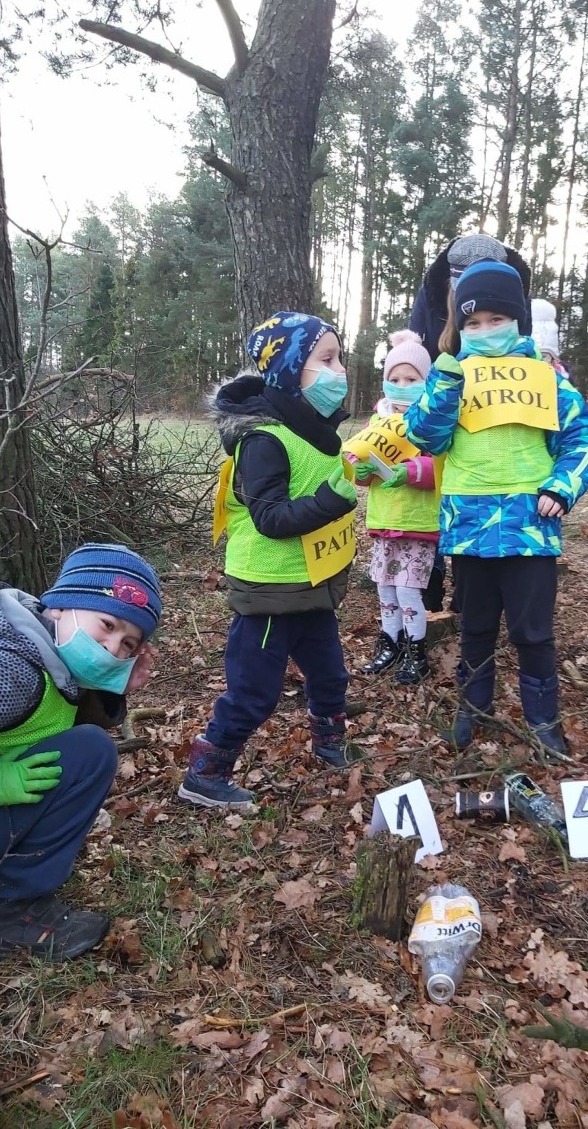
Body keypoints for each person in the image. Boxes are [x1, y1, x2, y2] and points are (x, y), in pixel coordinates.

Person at [404, 261, 588, 753]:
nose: (485, 331)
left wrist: (562, 487)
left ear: (518, 321)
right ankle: (472, 710)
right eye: (473, 322)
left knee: (532, 631)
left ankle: (543, 720)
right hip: (467, 523)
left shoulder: (545, 375)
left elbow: (582, 436)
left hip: (530, 524)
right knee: (474, 626)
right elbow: (423, 435)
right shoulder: (452, 373)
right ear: (459, 327)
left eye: (497, 320)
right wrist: (446, 382)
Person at [179, 312, 358, 809]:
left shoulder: (314, 430)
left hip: (313, 585)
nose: (338, 369)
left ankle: (329, 741)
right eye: (326, 359)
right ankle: (205, 772)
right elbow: (271, 518)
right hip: (268, 592)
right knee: (254, 691)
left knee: (330, 675)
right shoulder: (264, 439)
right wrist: (336, 497)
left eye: (339, 357)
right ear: (288, 369)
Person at [0, 544, 161, 961]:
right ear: (61, 606)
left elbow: (49, 716)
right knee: (91, 754)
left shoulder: (29, 636)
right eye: (107, 624)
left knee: (87, 749)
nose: (112, 648)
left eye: (128, 644)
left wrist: (110, 687)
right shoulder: (4, 670)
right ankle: (7, 915)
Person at [351, 331, 441, 685]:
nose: (402, 386)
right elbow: (365, 462)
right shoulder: (378, 421)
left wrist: (411, 471)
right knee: (385, 589)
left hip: (417, 523)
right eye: (395, 379)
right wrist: (362, 472)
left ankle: (416, 652)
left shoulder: (433, 421)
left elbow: (443, 467)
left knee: (408, 592)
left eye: (411, 379)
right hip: (383, 521)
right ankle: (390, 643)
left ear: (425, 381)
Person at [409, 234, 533, 359]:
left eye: (496, 319)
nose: (485, 331)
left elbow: (523, 341)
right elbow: (414, 355)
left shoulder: (518, 299)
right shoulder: (432, 298)